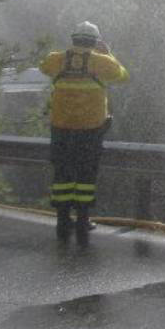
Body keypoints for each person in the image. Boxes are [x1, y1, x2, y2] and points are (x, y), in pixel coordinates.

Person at [39, 21, 128, 243]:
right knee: (85, 175)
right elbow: (122, 75)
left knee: (63, 174)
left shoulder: (56, 59)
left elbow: (44, 66)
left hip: (61, 129)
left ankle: (62, 220)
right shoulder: (101, 61)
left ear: (73, 39)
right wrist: (109, 54)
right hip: (90, 130)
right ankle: (82, 220)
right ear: (95, 41)